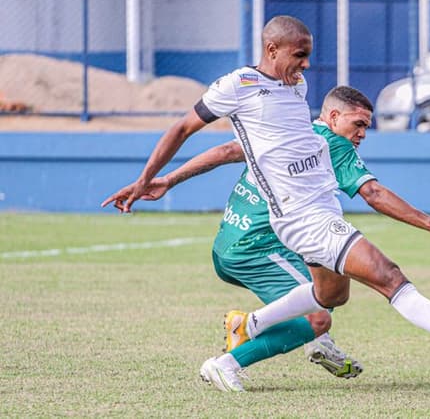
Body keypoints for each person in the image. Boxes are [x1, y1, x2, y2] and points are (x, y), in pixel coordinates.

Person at [103, 15, 430, 392]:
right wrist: (148, 181)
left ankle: (248, 324)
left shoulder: (297, 93)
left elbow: (236, 151)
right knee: (388, 277)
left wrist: (171, 178)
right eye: (299, 56)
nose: (306, 66)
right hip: (303, 218)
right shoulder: (238, 86)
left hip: (314, 214)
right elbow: (184, 128)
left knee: (330, 298)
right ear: (272, 50)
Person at [103, 86, 381, 391]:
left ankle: (319, 345)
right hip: (256, 249)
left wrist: (169, 179)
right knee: (319, 314)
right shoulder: (329, 145)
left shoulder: (286, 132)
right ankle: (225, 363)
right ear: (333, 116)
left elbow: (226, 151)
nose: (363, 134)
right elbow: (373, 193)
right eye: (359, 125)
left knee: (324, 288)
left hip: (235, 242)